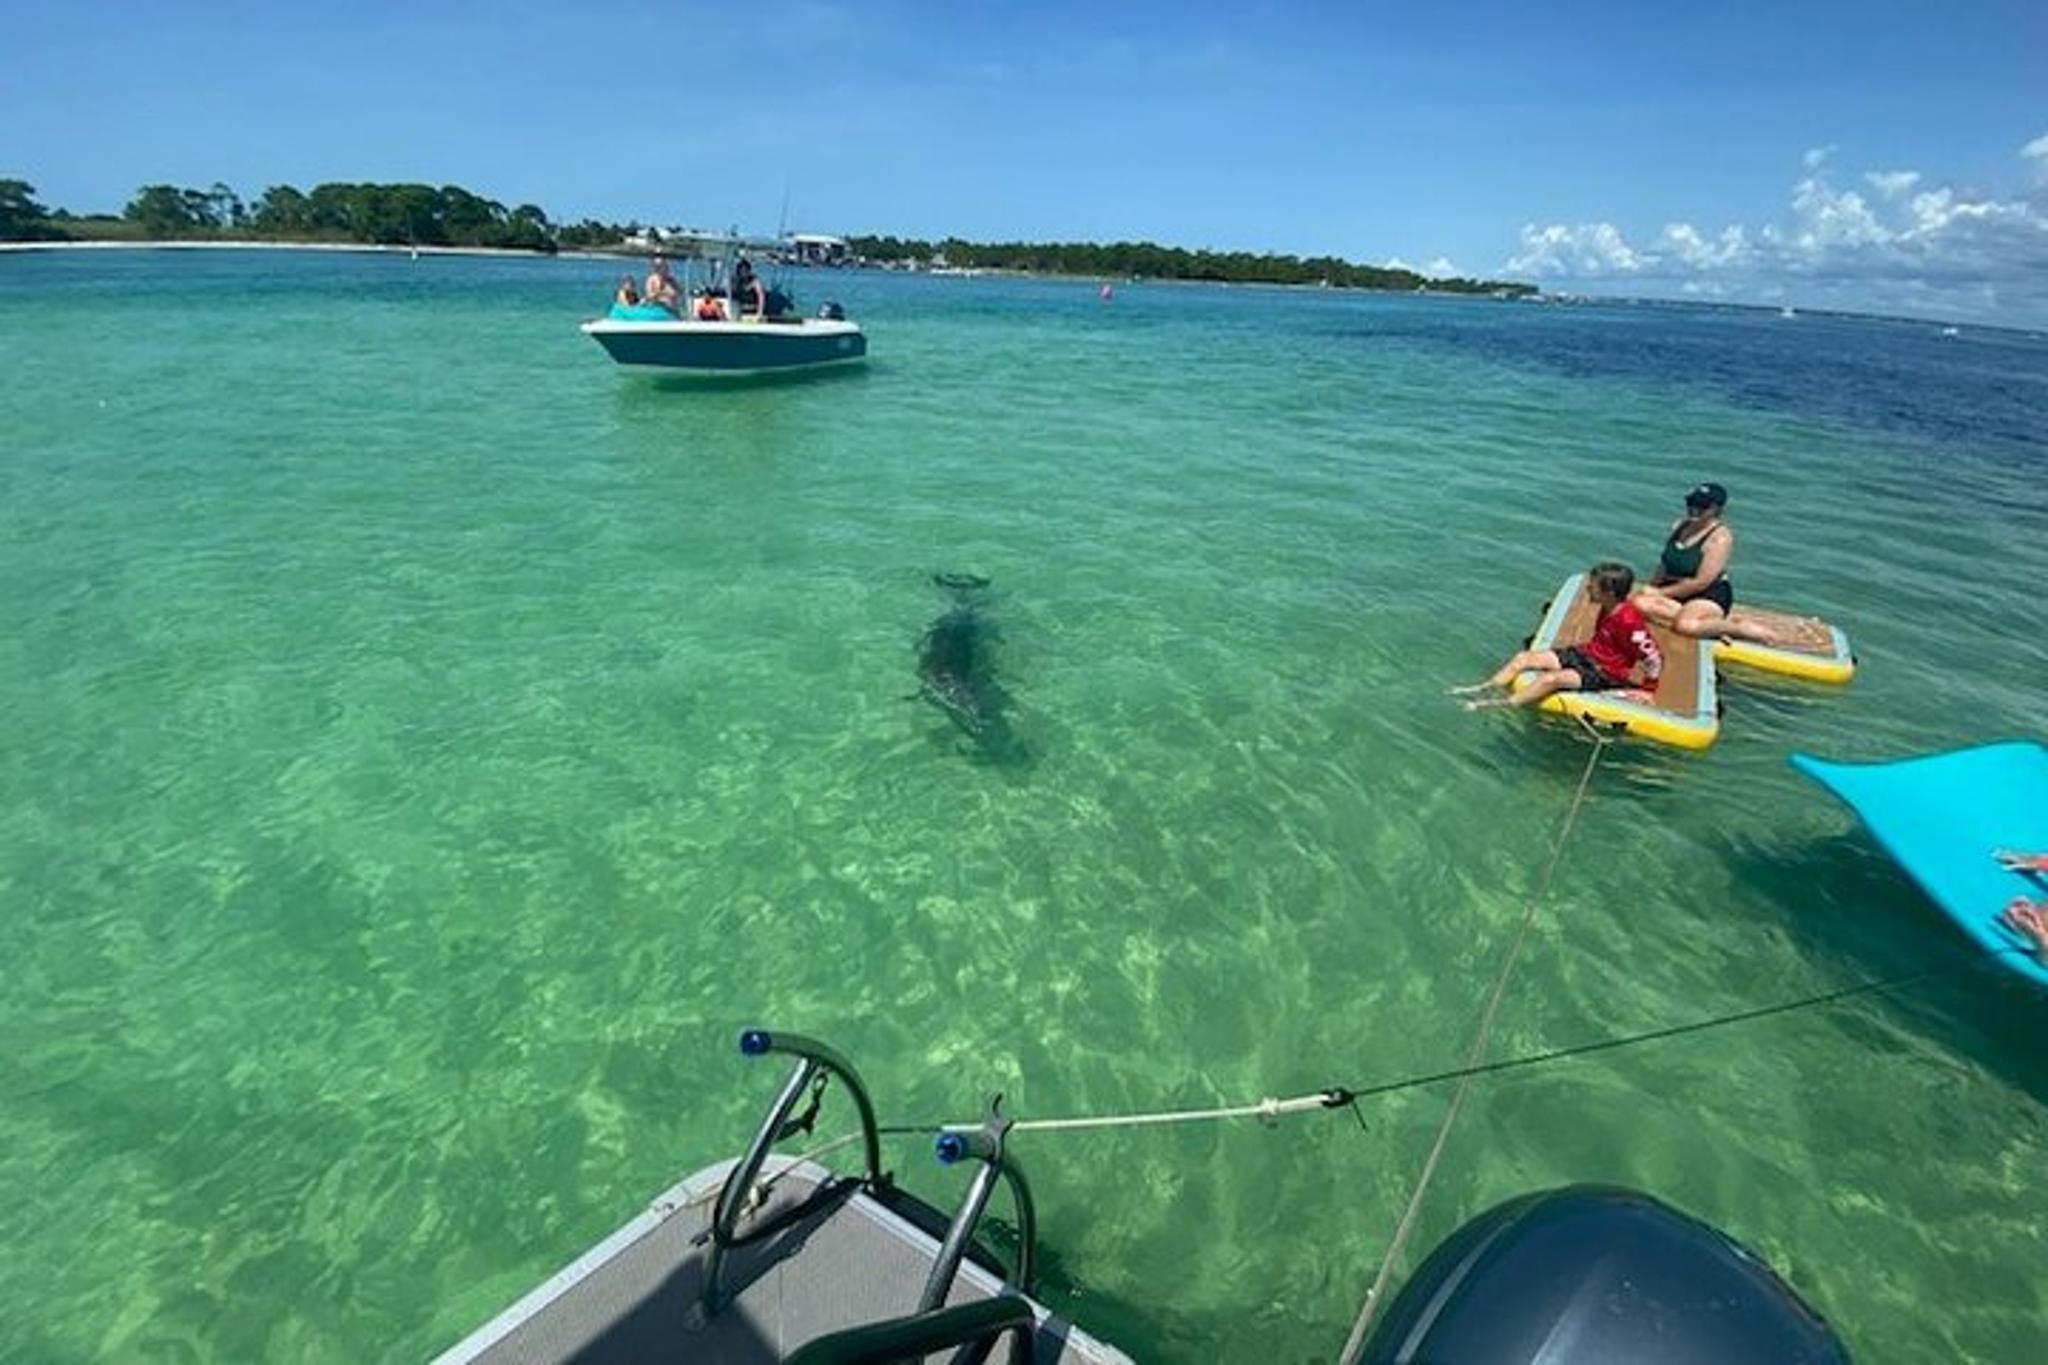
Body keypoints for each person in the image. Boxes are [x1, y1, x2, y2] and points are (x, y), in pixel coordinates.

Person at [1455, 562, 1662, 710]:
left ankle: (1500, 705)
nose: (1588, 588)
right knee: (1524, 658)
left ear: (1609, 592)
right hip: (1587, 655)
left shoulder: (1629, 622)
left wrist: (1648, 691)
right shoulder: (1606, 606)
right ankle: (1484, 688)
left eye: (1593, 585)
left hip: (1605, 672)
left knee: (1550, 680)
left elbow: (1653, 658)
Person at [1632, 482, 1785, 644]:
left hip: (1707, 594)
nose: (1694, 509)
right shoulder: (1679, 526)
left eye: (1702, 506)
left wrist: (1660, 594)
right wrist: (1653, 586)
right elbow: (1665, 562)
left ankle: (1736, 627)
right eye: (1691, 503)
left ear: (1716, 509)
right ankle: (1710, 626)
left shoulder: (1719, 538)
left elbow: (1701, 582)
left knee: (1684, 626)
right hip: (1677, 590)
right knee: (1638, 603)